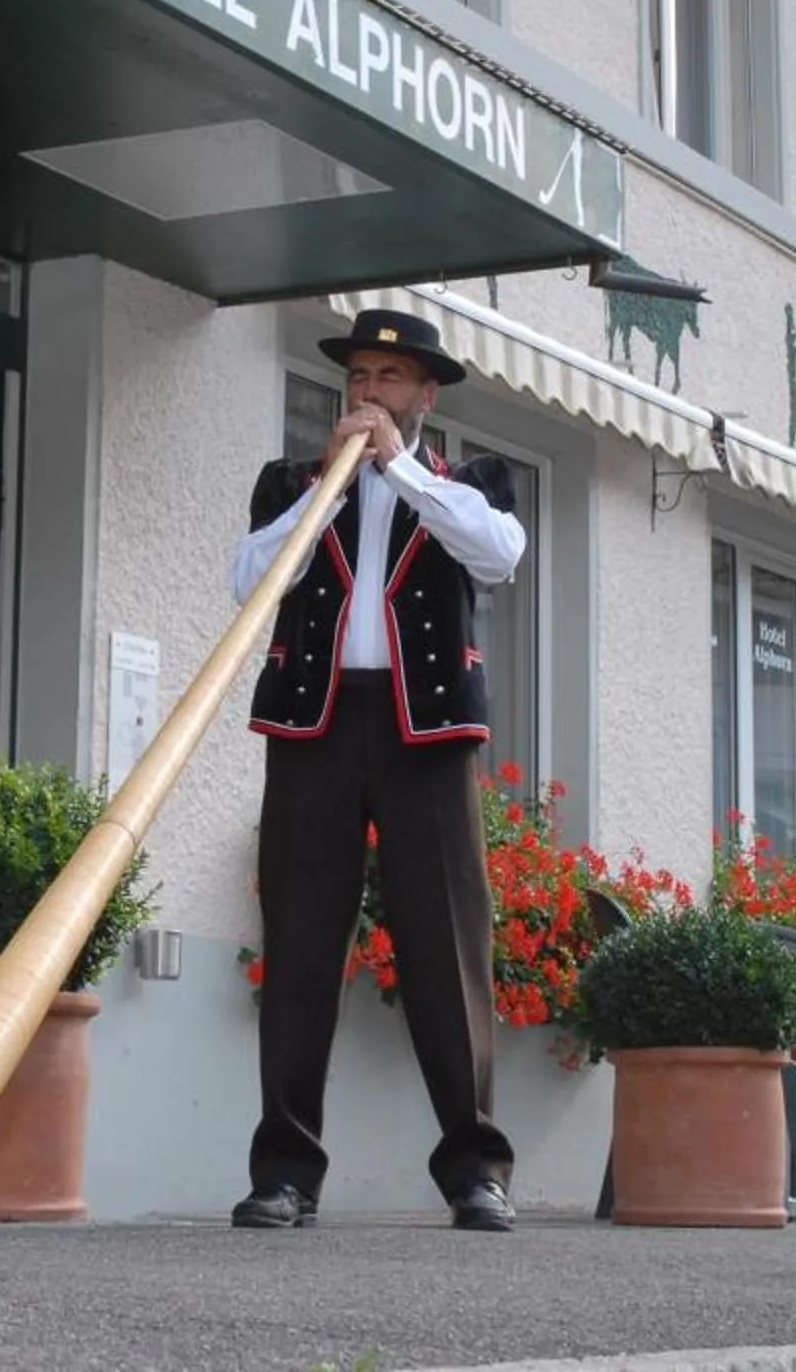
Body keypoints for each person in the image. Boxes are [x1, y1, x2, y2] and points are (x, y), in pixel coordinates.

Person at [227, 309, 528, 1234]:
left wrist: (395, 466)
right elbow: (250, 581)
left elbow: (499, 556)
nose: (369, 394)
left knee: (447, 947)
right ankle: (285, 1174)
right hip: (313, 725)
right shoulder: (293, 482)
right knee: (303, 947)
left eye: (390, 379)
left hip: (424, 730)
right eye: (360, 376)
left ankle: (475, 1167)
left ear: (425, 396)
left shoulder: (466, 482)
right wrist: (328, 483)